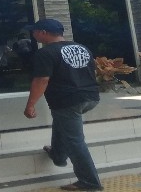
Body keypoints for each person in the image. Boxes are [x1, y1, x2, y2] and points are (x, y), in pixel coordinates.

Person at [22, 18, 102, 192]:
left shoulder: (46, 53)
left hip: (68, 100)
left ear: (43, 32)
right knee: (62, 122)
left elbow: (42, 80)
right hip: (91, 97)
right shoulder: (82, 48)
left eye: (34, 31)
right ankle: (58, 155)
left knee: (75, 141)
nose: (33, 34)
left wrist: (31, 105)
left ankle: (90, 182)